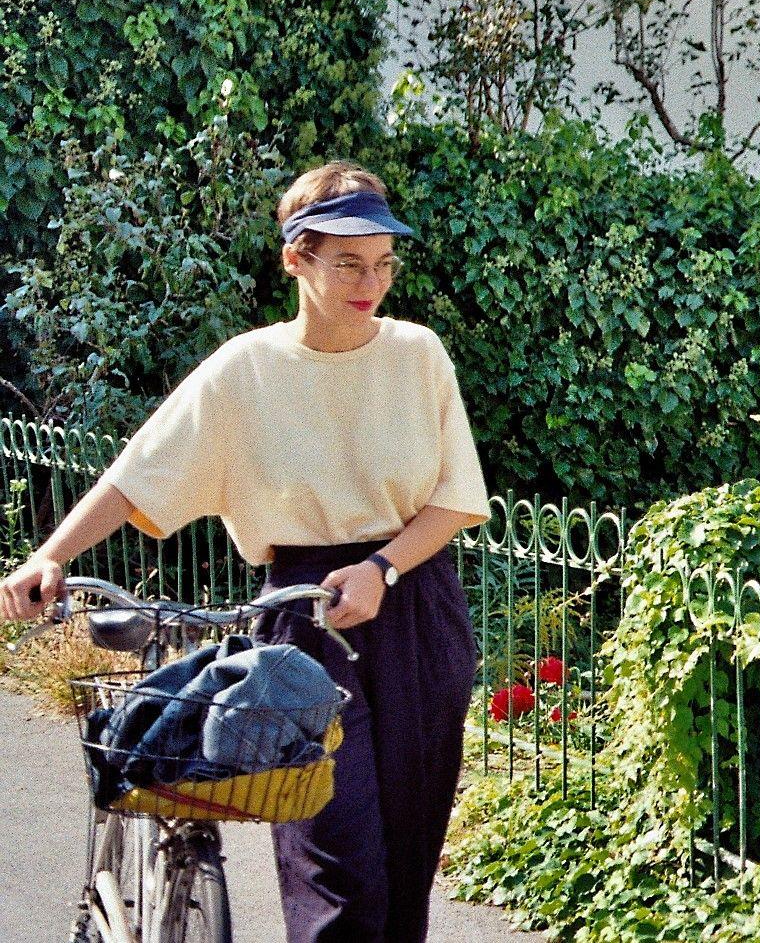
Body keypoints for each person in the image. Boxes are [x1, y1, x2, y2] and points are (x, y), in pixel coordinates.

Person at [0, 162, 491, 943]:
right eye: (348, 264)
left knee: (406, 866)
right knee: (339, 874)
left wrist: (382, 568)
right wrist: (49, 555)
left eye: (384, 264)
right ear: (296, 258)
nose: (372, 283)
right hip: (300, 624)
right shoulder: (246, 369)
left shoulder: (417, 354)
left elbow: (457, 499)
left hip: (414, 603)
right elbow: (138, 476)